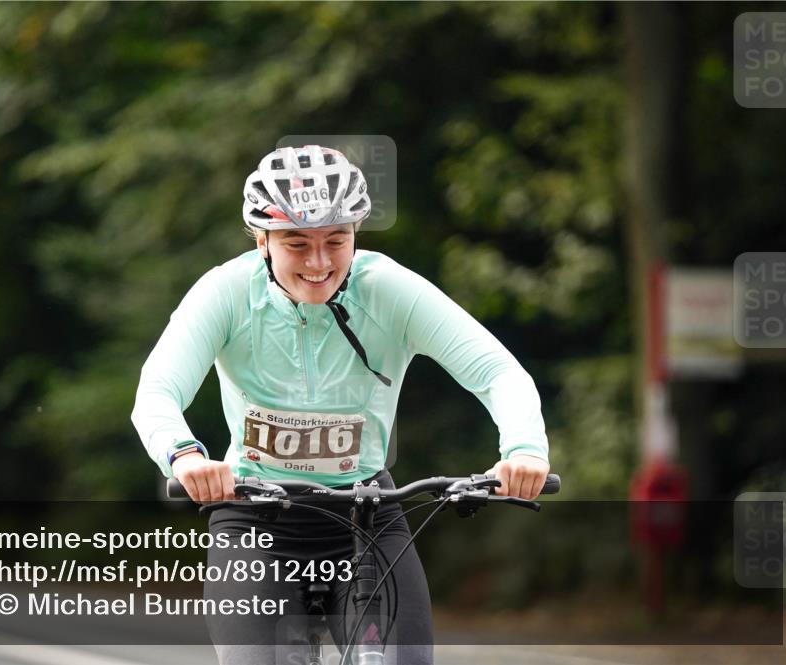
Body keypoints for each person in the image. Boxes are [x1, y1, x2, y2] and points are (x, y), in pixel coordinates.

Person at [132, 144, 550, 665]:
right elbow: (157, 391)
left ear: (357, 235)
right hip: (255, 519)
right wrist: (185, 456)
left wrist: (526, 449)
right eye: (296, 244)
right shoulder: (226, 292)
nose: (319, 262)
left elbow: (498, 371)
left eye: (336, 240)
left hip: (368, 513)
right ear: (262, 240)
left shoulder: (388, 289)